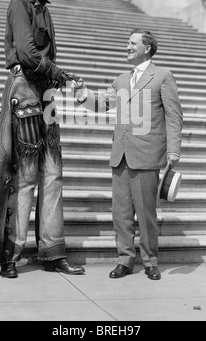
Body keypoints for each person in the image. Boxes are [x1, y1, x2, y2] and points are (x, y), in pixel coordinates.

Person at [0, 0, 85, 278]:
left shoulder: (44, 9)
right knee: (26, 178)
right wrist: (61, 75)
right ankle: (10, 257)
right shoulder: (20, 3)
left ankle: (52, 252)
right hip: (27, 93)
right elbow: (28, 54)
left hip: (44, 95)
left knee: (53, 176)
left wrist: (58, 78)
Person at [74, 29, 183, 280]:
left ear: (147, 48)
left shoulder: (163, 76)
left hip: (147, 153)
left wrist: (173, 148)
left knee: (146, 213)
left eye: (132, 43)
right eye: (127, 43)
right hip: (121, 154)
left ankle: (150, 261)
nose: (127, 46)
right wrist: (83, 94)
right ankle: (125, 260)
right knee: (120, 212)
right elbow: (102, 104)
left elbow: (173, 115)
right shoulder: (121, 80)